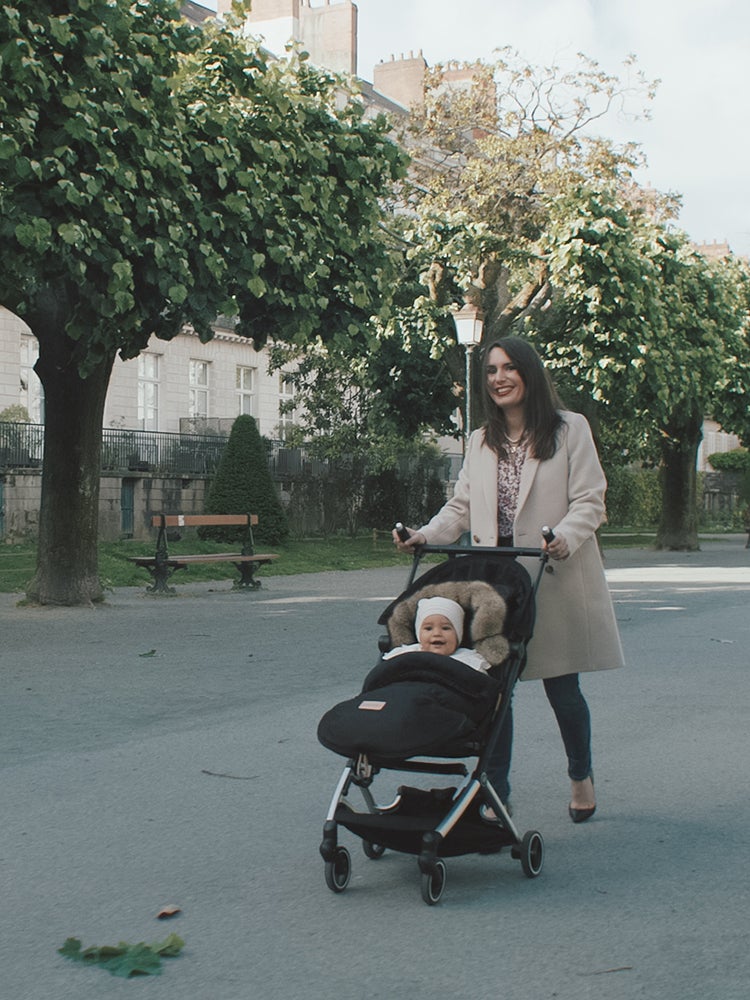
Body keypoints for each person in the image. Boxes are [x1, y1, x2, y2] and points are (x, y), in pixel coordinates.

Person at [393, 336, 624, 822]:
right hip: (496, 585)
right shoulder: (480, 439)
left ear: (529, 374)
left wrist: (564, 535)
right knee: (494, 688)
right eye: (492, 370)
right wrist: (426, 535)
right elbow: (461, 505)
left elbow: (591, 500)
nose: (498, 377)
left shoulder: (569, 429)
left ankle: (580, 773)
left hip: (551, 573)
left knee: (563, 689)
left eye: (509, 368)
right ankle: (495, 793)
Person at [382, 595, 491, 672]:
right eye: (428, 629)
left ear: (458, 634)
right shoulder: (404, 655)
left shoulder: (468, 662)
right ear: (419, 633)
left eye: (445, 628)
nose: (437, 633)